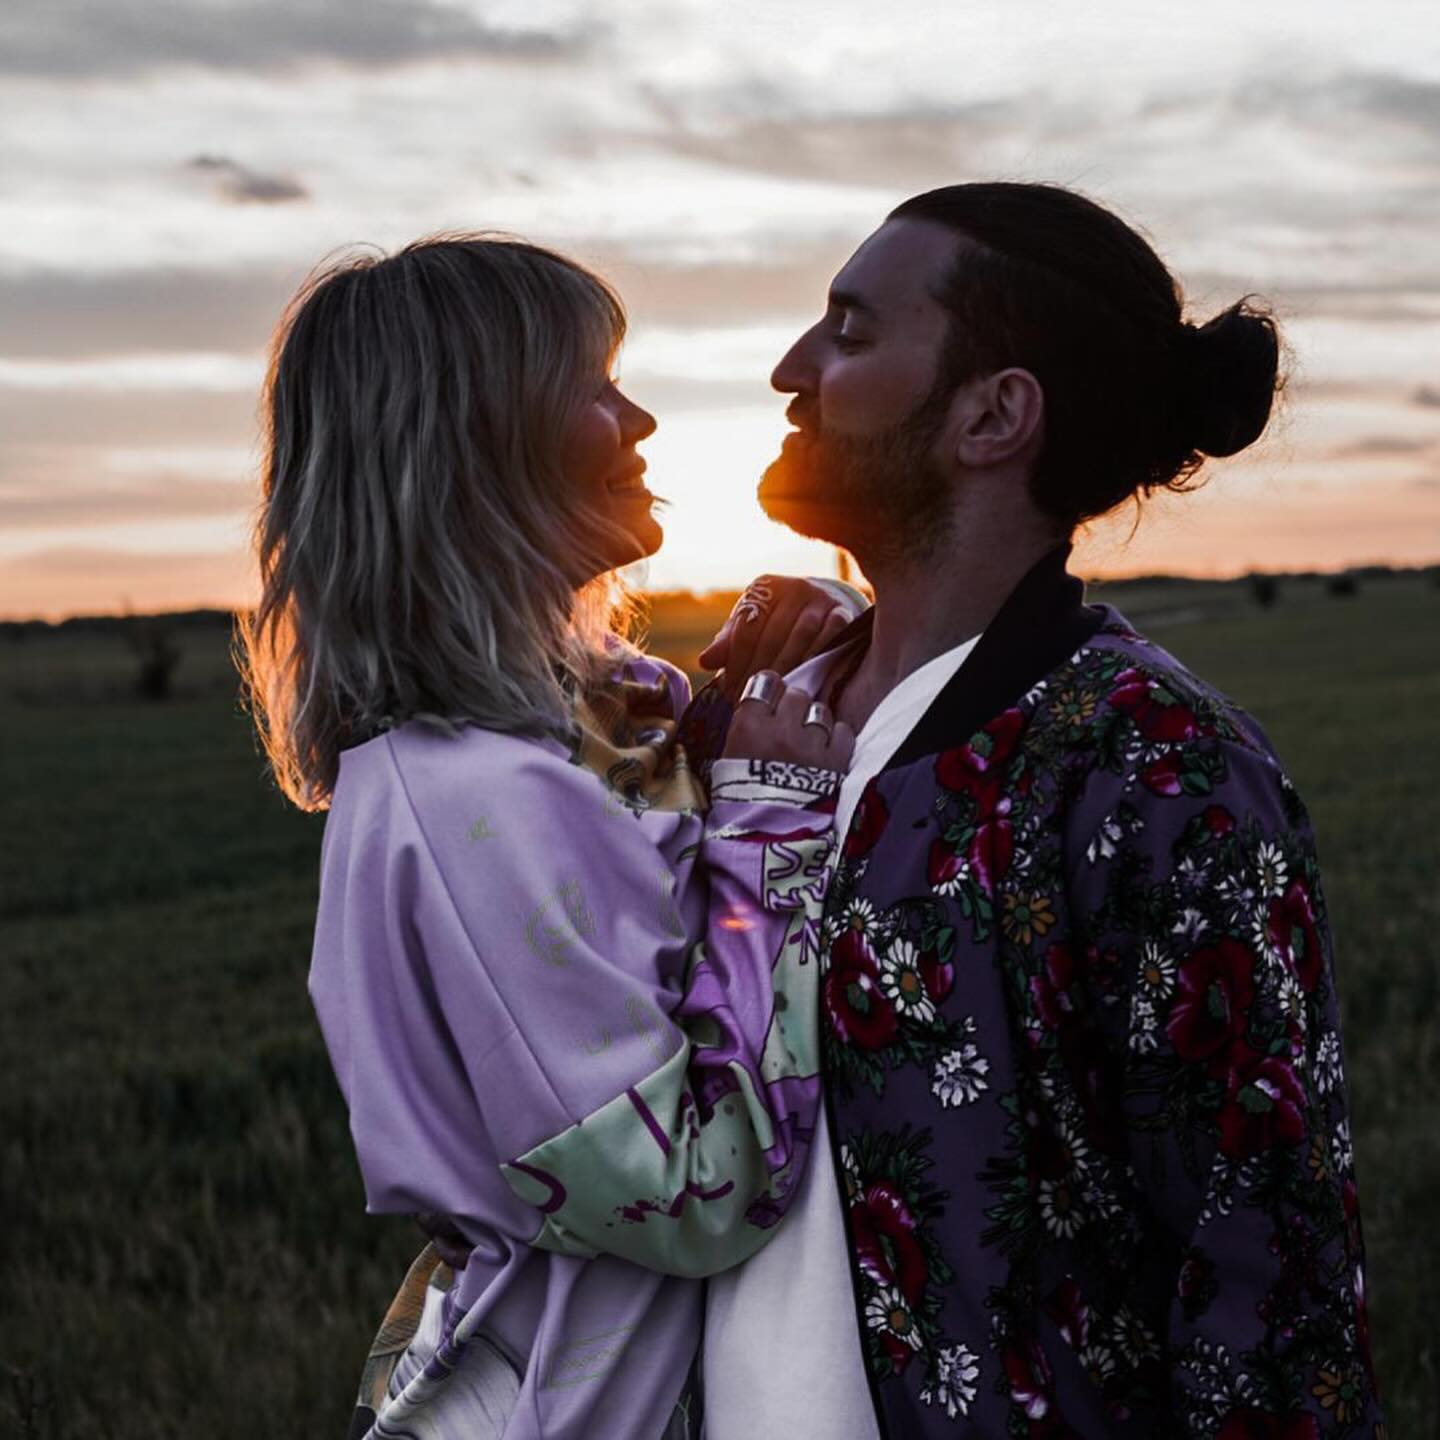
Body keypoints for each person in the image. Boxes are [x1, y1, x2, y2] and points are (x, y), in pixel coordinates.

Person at [688, 183, 1385, 1437]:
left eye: (849, 331)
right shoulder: (743, 712)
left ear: (994, 414)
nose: (791, 368)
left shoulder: (1154, 766)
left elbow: (1269, 1292)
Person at [238, 235, 865, 1439]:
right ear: (474, 446)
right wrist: (776, 814)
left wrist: (808, 648)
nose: (640, 422)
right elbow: (683, 1190)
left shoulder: (571, 729)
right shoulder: (481, 803)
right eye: (592, 387)